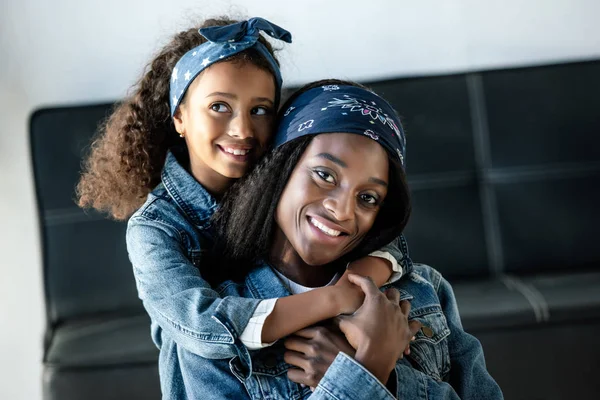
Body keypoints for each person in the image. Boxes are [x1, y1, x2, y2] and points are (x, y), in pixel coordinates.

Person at [76, 17, 411, 396]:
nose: (242, 130)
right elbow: (203, 327)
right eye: (220, 106)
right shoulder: (155, 229)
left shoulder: (285, 186)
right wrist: (335, 299)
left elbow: (374, 231)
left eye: (260, 110)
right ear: (179, 116)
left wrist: (363, 280)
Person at [206, 79, 504, 399]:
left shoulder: (422, 291)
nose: (343, 210)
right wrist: (372, 366)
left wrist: (387, 378)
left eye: (368, 198)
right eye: (325, 175)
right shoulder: (217, 326)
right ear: (280, 167)